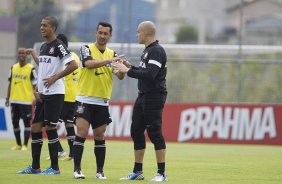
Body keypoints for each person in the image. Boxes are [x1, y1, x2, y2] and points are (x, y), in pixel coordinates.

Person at [17, 16, 78, 175]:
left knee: (50, 127)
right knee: (35, 127)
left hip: (55, 93)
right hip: (42, 94)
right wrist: (37, 90)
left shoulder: (59, 45)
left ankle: (55, 168)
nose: (41, 28)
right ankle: (35, 167)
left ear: (53, 28)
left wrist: (55, 78)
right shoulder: (44, 46)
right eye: (41, 25)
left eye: (45, 25)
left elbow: (73, 64)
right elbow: (44, 67)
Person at [112, 21, 168, 182]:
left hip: (154, 95)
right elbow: (144, 71)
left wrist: (128, 71)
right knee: (136, 130)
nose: (137, 34)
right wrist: (130, 66)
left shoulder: (157, 50)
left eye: (138, 32)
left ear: (146, 33)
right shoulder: (148, 51)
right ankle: (138, 171)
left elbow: (150, 75)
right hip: (143, 95)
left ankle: (161, 173)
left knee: (155, 132)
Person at [73, 21, 125, 179]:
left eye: (105, 34)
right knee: (81, 132)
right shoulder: (86, 49)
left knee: (99, 136)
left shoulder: (113, 54)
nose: (102, 36)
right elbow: (88, 64)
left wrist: (121, 67)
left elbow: (120, 76)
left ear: (110, 35)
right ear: (96, 33)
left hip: (102, 102)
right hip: (84, 99)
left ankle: (100, 171)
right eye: (100, 33)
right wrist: (110, 61)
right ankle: (77, 170)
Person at [5, 48, 37, 151]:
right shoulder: (13, 68)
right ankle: (18, 144)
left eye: (23, 53)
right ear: (17, 55)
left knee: (26, 123)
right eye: (19, 53)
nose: (21, 55)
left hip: (26, 101)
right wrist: (7, 97)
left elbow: (35, 85)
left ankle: (25, 145)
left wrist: (36, 98)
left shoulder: (31, 69)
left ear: (26, 55)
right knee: (15, 122)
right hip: (14, 100)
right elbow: (10, 83)